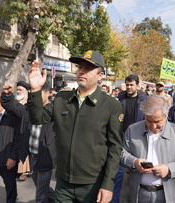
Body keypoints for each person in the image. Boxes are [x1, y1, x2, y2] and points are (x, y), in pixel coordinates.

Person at [27, 50, 123, 203]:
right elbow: (37, 118)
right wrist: (35, 90)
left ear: (100, 75)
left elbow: (115, 149)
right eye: (80, 67)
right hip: (63, 183)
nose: (82, 71)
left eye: (88, 68)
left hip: (92, 185)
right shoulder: (61, 99)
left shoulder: (111, 106)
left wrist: (108, 185)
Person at [121, 95, 175, 203]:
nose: (153, 126)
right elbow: (121, 153)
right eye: (149, 121)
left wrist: (169, 169)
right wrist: (134, 162)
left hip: (169, 196)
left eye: (157, 121)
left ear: (166, 115)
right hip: (139, 194)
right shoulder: (132, 130)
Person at [2, 82, 56, 203]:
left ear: (48, 94)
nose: (33, 96)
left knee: (40, 196)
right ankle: (61, 199)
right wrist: (7, 95)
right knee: (42, 187)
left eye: (37, 93)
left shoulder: (55, 112)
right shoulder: (27, 109)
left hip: (46, 156)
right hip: (32, 157)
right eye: (32, 93)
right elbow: (10, 106)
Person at [113, 74, 147, 203]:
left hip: (139, 141)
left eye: (131, 85)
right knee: (118, 174)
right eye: (127, 85)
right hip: (121, 140)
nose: (129, 87)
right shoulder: (119, 99)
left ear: (137, 86)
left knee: (138, 173)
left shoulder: (144, 100)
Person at [15, 81, 31, 181]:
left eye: (20, 90)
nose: (18, 92)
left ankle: (25, 171)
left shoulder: (29, 104)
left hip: (25, 131)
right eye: (17, 90)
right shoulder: (16, 103)